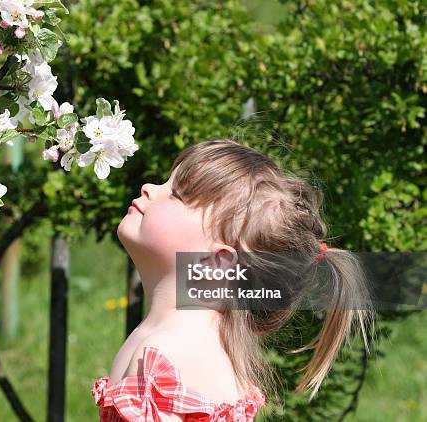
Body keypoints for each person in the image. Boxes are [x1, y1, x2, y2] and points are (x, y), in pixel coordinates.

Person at [91, 139, 373, 421]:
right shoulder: (175, 340)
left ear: (218, 262)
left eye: (176, 194)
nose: (149, 188)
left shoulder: (166, 353)